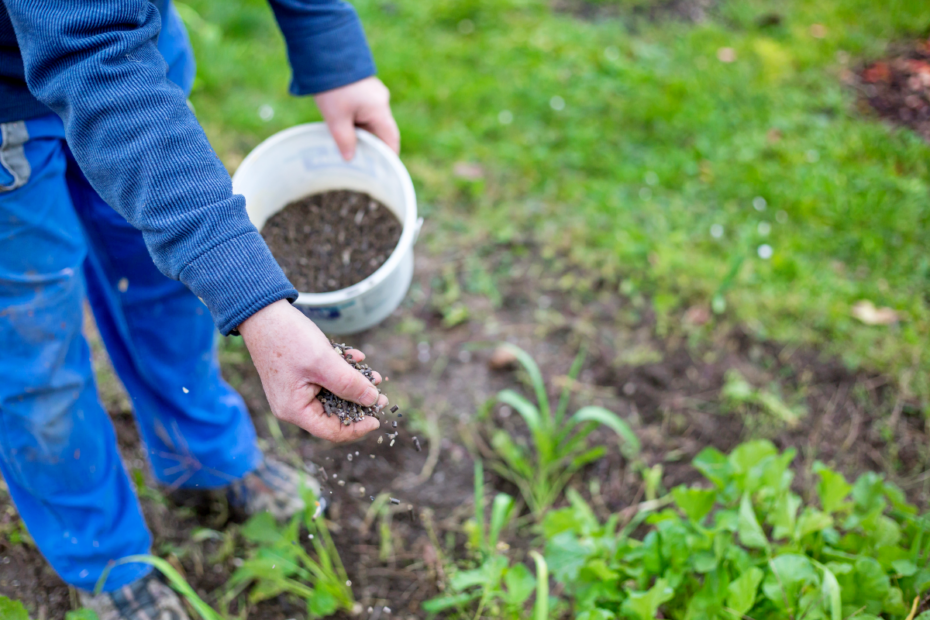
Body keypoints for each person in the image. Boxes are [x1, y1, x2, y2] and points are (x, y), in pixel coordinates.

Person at [0, 0, 399, 617]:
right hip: (26, 101)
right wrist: (257, 304)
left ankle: (203, 458)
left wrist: (328, 42)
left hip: (133, 46)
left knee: (165, 282)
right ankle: (106, 562)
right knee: (34, 351)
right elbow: (89, 50)